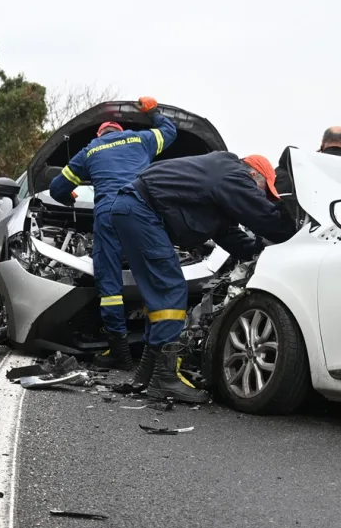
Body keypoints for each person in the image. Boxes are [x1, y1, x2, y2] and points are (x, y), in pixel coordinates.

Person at [109, 152, 294, 402]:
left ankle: (148, 372)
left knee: (159, 295)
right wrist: (291, 235)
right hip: (141, 211)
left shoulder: (217, 180)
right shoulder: (234, 174)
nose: (262, 197)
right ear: (253, 175)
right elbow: (262, 216)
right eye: (263, 191)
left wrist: (260, 249)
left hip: (133, 210)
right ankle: (165, 379)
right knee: (170, 292)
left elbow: (228, 236)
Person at [49, 97, 177, 371]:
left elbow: (56, 189)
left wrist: (70, 196)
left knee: (110, 286)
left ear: (100, 134)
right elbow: (170, 132)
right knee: (153, 279)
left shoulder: (91, 150)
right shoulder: (141, 139)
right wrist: (153, 113)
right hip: (142, 209)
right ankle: (156, 351)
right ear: (120, 131)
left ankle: (119, 350)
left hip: (108, 214)